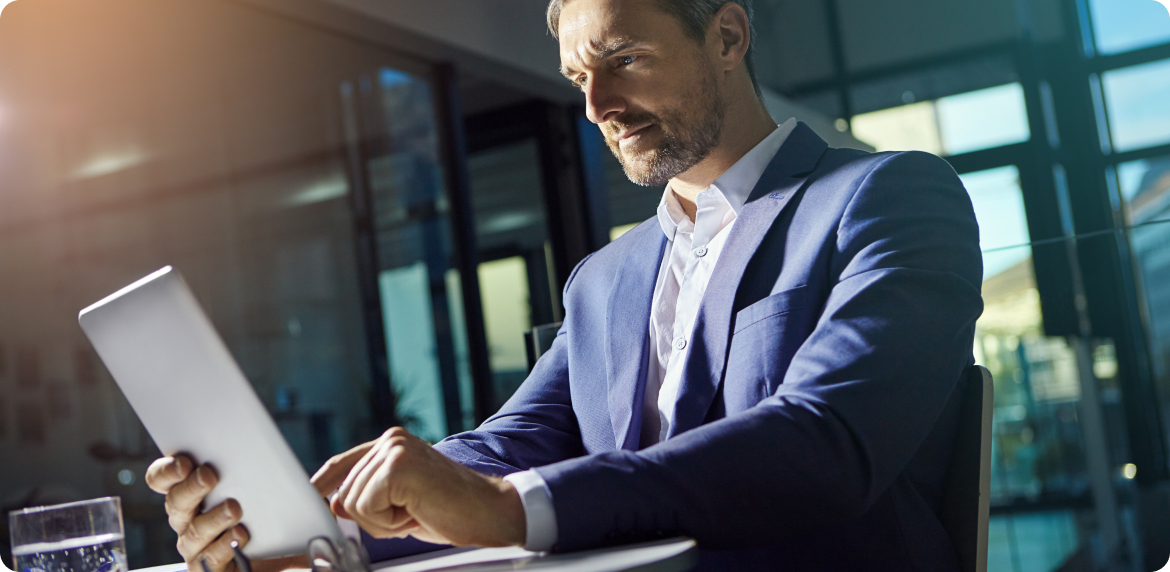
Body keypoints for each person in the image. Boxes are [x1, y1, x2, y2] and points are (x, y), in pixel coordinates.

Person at [146, 0, 983, 569]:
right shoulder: (604, 281)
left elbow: (821, 445)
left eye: (624, 59)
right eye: (580, 76)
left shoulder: (887, 197)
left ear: (727, 37)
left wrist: (510, 510)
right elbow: (504, 448)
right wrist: (318, 524)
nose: (598, 105)